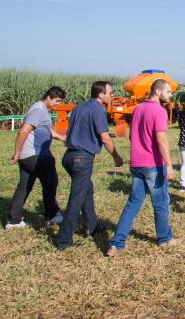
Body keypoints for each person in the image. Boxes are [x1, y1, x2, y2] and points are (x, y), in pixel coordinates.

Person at [106, 79, 178, 255]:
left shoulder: (138, 109)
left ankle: (117, 243)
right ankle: (164, 238)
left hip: (136, 163)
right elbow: (161, 139)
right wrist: (168, 164)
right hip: (153, 164)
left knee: (133, 203)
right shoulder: (159, 111)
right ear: (158, 92)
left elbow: (132, 135)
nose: (170, 95)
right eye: (168, 92)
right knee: (160, 203)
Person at [55, 81, 124, 250]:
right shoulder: (97, 110)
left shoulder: (80, 106)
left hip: (69, 157)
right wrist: (116, 157)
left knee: (87, 189)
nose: (112, 96)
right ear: (101, 95)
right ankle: (63, 239)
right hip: (82, 159)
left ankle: (92, 227)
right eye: (110, 93)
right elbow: (105, 138)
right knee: (75, 199)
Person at [7, 86, 67, 230]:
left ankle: (14, 220)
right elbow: (24, 131)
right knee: (50, 183)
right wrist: (17, 152)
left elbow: (44, 128)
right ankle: (51, 215)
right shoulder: (39, 110)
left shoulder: (40, 108)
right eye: (57, 101)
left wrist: (60, 136)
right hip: (37, 155)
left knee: (24, 187)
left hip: (27, 155)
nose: (58, 104)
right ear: (48, 97)